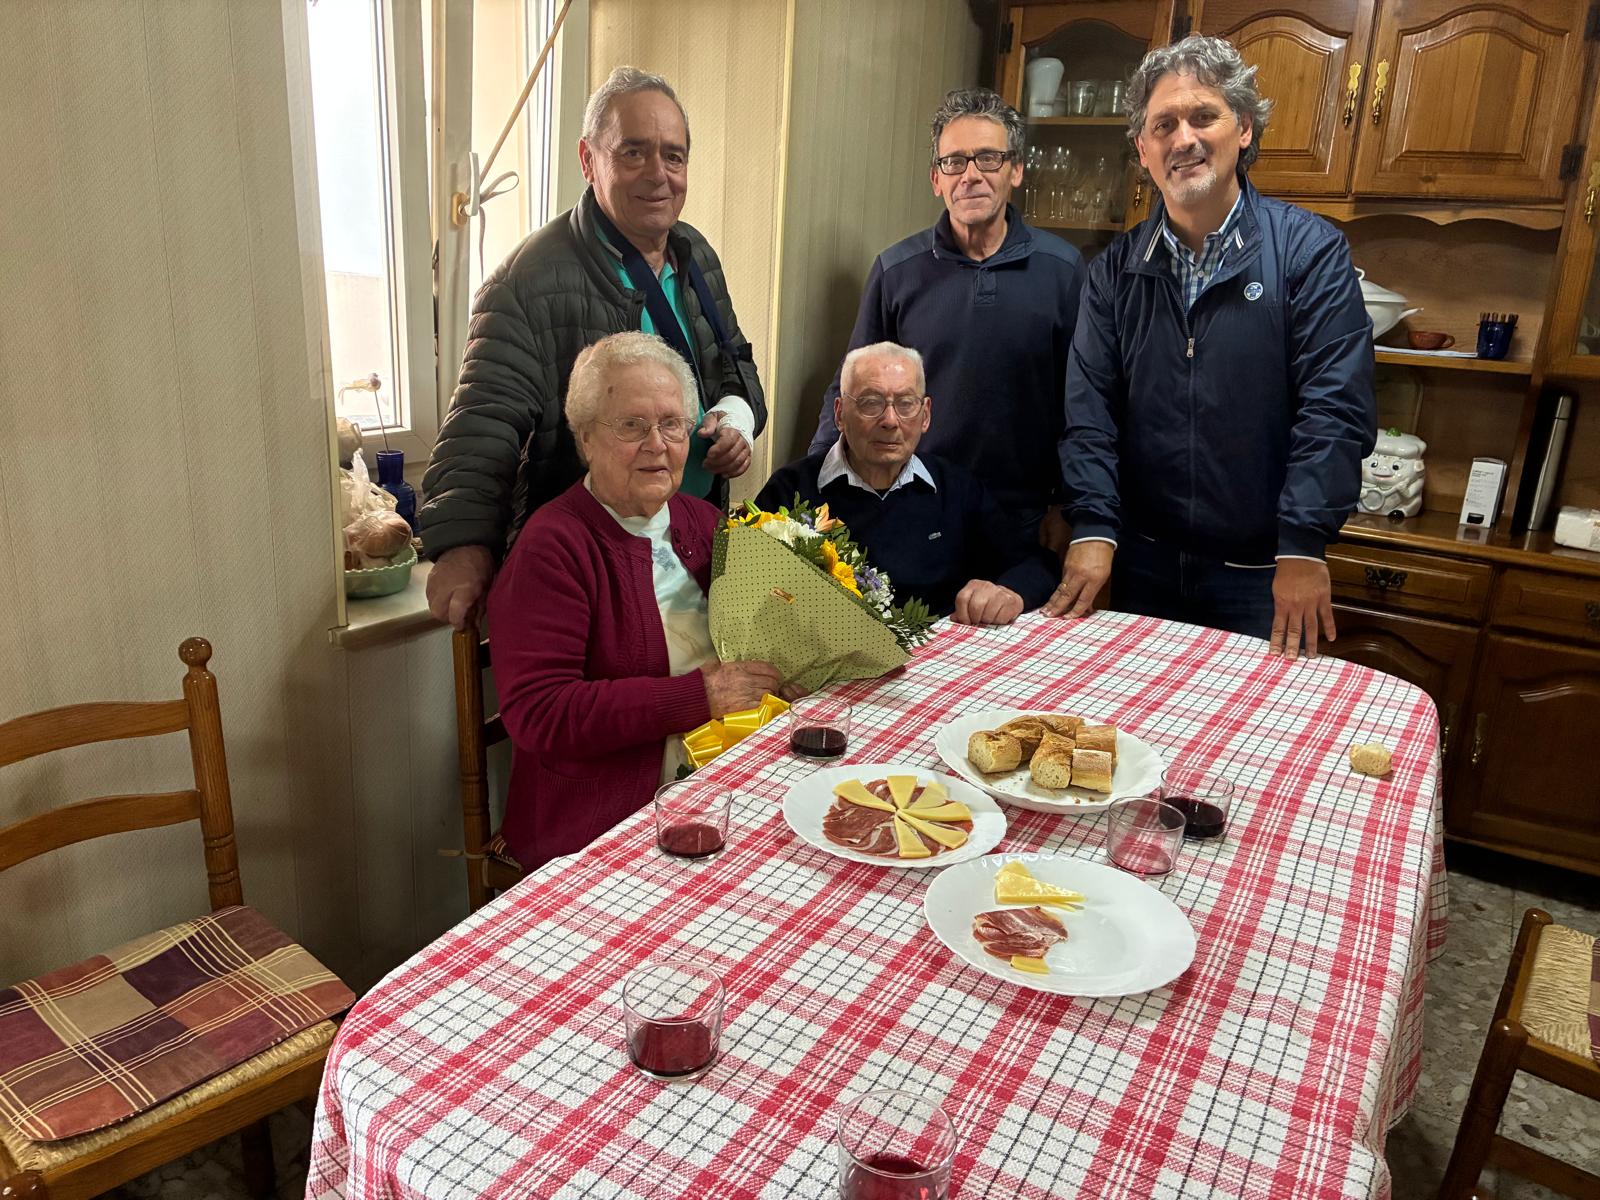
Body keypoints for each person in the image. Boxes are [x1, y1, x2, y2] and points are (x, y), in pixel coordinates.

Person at [1048, 35, 1376, 657]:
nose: (1184, 139)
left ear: (1244, 128)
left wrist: (1302, 544)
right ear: (1143, 150)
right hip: (1142, 563)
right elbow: (1089, 410)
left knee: (1255, 742)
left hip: (1264, 571)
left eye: (1204, 116)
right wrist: (1093, 524)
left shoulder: (1310, 252)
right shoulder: (1113, 272)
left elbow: (1334, 408)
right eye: (1163, 125)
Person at [421, 66, 767, 629]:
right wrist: (463, 543)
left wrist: (734, 417)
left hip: (690, 547)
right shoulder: (529, 279)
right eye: (633, 153)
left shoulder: (695, 253)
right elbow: (484, 420)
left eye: (673, 156)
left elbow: (737, 364)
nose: (658, 174)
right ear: (588, 160)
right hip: (595, 564)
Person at [486, 332, 781, 871]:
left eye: (671, 424)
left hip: (725, 784)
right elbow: (540, 713)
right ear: (585, 439)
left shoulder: (703, 520)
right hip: (608, 822)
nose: (657, 443)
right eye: (631, 425)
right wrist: (701, 696)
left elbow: (754, 633)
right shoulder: (553, 547)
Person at [807, 89, 1085, 539]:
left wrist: (1072, 505)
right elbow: (851, 384)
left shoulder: (1064, 270)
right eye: (954, 162)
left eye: (988, 159)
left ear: (1016, 170)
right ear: (937, 178)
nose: (970, 175)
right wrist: (817, 479)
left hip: (1027, 517)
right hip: (916, 507)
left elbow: (1082, 402)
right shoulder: (896, 271)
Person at [760, 342, 1059, 624]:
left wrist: (1009, 593)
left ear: (925, 415)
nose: (890, 420)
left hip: (939, 662)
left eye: (905, 404)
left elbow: (1036, 564)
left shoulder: (956, 489)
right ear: (840, 414)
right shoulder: (790, 491)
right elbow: (744, 587)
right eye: (870, 403)